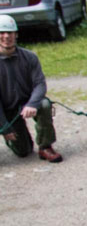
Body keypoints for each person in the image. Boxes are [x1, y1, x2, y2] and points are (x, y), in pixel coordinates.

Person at [0, 14, 62, 162]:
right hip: (6, 109)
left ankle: (45, 146)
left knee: (44, 104)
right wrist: (4, 128)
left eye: (10, 32)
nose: (6, 36)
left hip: (28, 103)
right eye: (2, 33)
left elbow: (40, 84)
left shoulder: (29, 57)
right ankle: (14, 138)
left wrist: (32, 104)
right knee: (24, 151)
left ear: (16, 35)